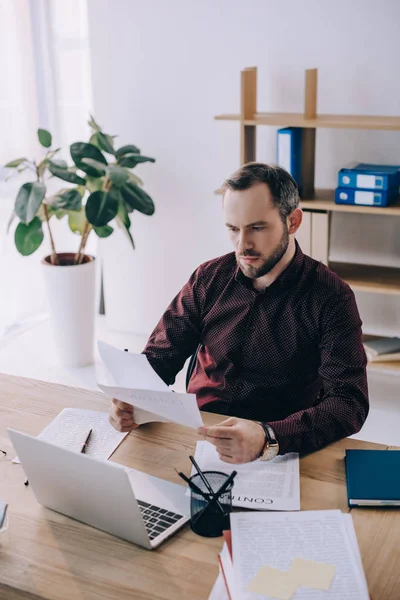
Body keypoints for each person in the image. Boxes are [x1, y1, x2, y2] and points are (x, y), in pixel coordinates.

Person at [109, 163, 369, 463]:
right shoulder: (209, 278)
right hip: (198, 433)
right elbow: (159, 359)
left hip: (278, 448)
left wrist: (268, 436)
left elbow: (349, 403)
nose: (243, 245)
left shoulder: (331, 297)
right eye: (233, 229)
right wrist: (129, 401)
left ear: (293, 221)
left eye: (257, 228)